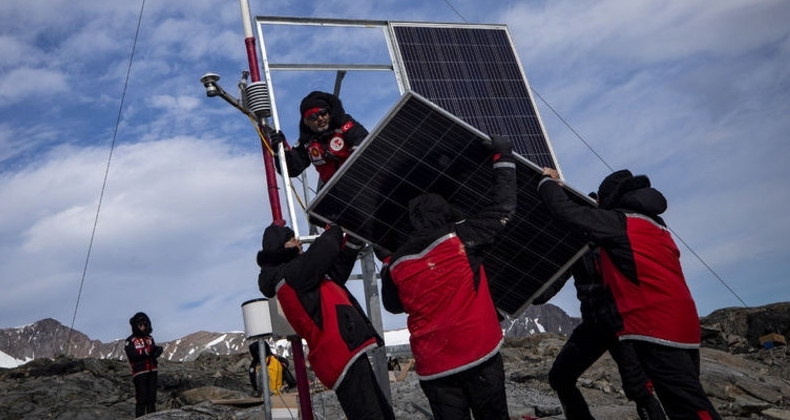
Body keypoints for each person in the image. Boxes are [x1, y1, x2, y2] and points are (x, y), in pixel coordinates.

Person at [538, 167, 722, 420]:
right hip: (678, 324)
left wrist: (547, 182)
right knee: (679, 399)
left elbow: (566, 212)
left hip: (647, 326)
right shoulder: (655, 226)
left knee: (681, 403)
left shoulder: (620, 224)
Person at [378, 135, 517, 420]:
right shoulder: (460, 239)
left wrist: (390, 263)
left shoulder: (396, 264)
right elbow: (504, 208)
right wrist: (503, 156)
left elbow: (393, 305)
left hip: (434, 367)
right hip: (478, 353)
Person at [256, 223, 395, 420]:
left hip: (343, 353)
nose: (298, 241)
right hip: (339, 352)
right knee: (371, 415)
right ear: (281, 247)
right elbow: (327, 247)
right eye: (292, 239)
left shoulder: (297, 274)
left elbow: (335, 275)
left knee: (380, 412)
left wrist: (352, 244)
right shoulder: (291, 275)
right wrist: (335, 227)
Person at [534, 231, 666, 420]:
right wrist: (526, 288)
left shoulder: (611, 231)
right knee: (560, 377)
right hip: (595, 323)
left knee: (639, 388)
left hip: (621, 322)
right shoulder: (573, 245)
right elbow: (544, 292)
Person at [269, 90, 369, 186]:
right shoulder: (306, 142)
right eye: (313, 117)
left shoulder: (343, 123)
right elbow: (291, 170)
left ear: (329, 113)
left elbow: (362, 142)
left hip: (361, 177)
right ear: (306, 122)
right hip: (335, 189)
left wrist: (352, 170)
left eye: (323, 113)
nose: (320, 119)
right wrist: (280, 150)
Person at [124, 312, 163, 417]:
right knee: (141, 399)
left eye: (145, 324)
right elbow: (132, 355)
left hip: (152, 371)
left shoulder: (150, 339)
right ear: (135, 325)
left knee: (152, 399)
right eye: (140, 325)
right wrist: (146, 351)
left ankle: (153, 417)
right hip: (140, 373)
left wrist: (157, 352)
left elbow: (152, 353)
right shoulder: (130, 340)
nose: (142, 327)